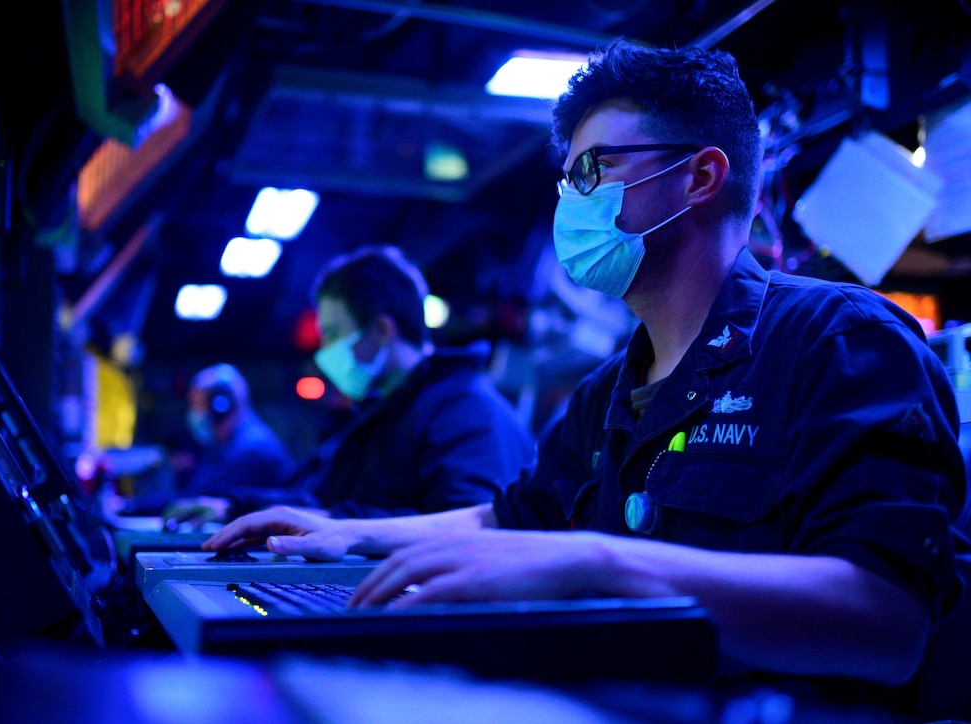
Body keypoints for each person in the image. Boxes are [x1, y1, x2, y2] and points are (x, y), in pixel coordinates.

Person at [202, 38, 969, 709]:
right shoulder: (606, 392)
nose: (572, 201)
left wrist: (597, 561)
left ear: (700, 177)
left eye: (595, 170)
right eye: (568, 180)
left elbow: (888, 623)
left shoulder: (839, 341)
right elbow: (509, 520)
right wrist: (347, 536)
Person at [167, 244, 537, 524]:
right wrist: (237, 506)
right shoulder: (386, 412)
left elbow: (467, 527)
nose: (325, 351)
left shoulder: (463, 411)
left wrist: (335, 528)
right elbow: (326, 504)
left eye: (332, 333)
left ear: (380, 330)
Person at [106, 363, 297, 524]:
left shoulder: (251, 451)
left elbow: (196, 499)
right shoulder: (231, 444)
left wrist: (128, 506)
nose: (193, 414)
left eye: (196, 405)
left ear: (220, 406)